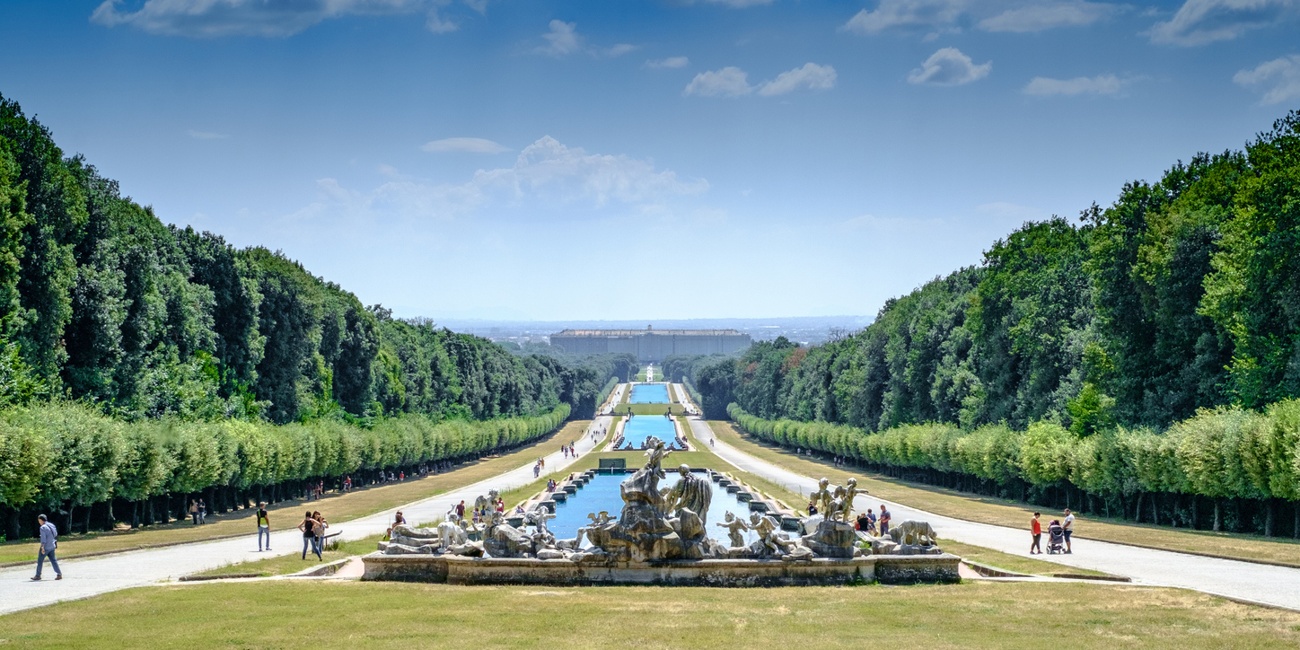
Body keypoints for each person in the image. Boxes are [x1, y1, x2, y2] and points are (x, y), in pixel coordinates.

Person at [32, 514, 62, 581]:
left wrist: (42, 547)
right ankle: (59, 574)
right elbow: (55, 534)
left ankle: (38, 575)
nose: (39, 522)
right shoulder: (51, 525)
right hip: (52, 545)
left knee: (40, 561)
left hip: (46, 547)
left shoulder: (43, 527)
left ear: (41, 520)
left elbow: (43, 539)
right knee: (53, 560)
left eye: (39, 520)